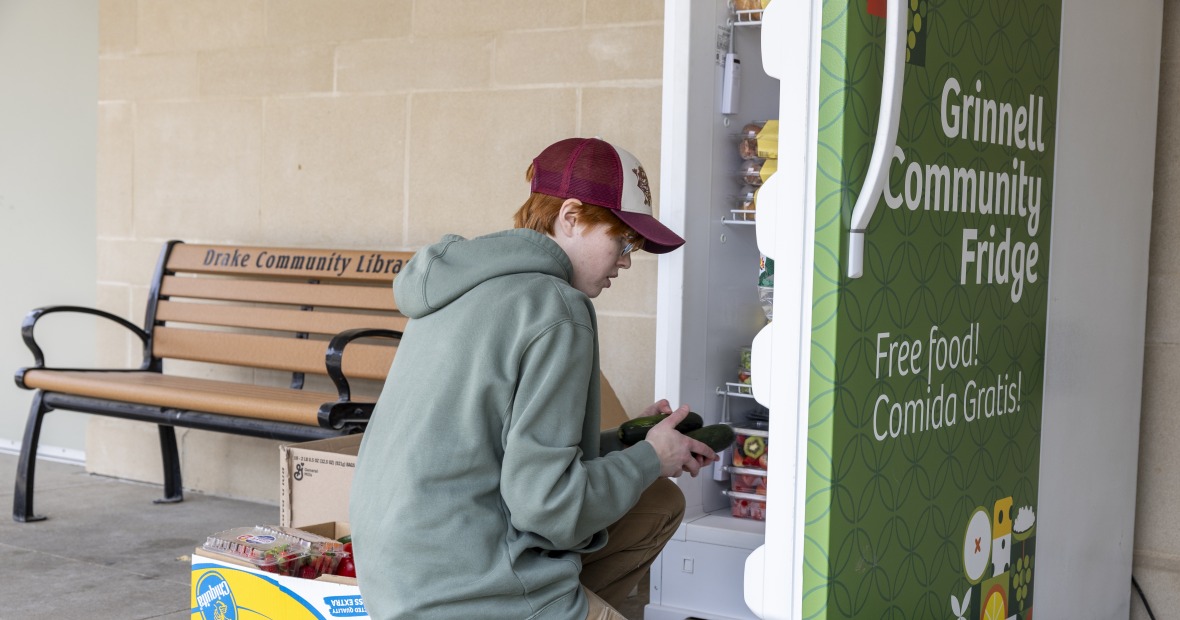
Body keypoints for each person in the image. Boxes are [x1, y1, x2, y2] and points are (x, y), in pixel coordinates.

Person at [349, 137, 717, 620]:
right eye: (623, 241)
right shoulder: (558, 307)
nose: (627, 261)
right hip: (468, 591)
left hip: (394, 579)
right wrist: (651, 458)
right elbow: (548, 507)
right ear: (570, 217)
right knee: (650, 489)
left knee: (659, 501)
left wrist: (630, 443)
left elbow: (492, 453)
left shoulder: (459, 285)